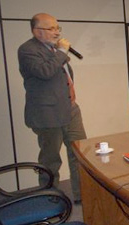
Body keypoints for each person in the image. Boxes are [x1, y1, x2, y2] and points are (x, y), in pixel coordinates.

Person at [18, 13, 87, 203]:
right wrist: (62, 52)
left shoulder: (54, 49)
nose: (57, 32)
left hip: (71, 110)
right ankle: (50, 199)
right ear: (37, 32)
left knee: (79, 154)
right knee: (51, 160)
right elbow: (45, 72)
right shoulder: (27, 50)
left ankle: (82, 196)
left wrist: (59, 52)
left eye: (58, 28)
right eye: (52, 28)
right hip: (47, 114)